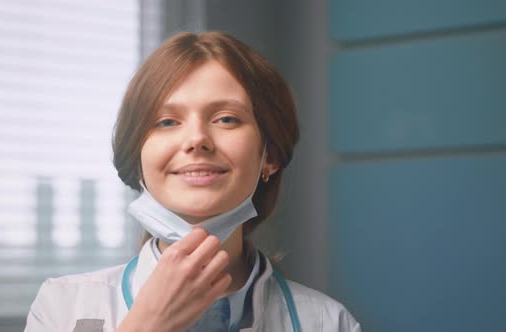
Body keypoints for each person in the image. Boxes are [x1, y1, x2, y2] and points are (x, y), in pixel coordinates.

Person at [24, 31, 361, 332]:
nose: (197, 139)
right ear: (137, 156)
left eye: (226, 119)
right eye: (167, 122)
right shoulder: (62, 306)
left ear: (269, 156)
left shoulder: (329, 323)